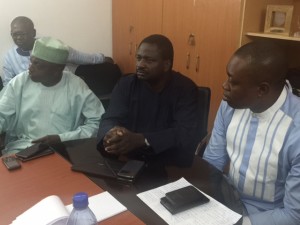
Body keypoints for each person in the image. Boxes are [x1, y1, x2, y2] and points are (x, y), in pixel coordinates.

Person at [203, 41, 300, 225]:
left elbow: (294, 215)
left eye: (233, 81)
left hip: (268, 217)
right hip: (225, 202)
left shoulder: (296, 131)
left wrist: (238, 223)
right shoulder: (230, 105)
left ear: (262, 90)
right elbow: (212, 163)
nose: (224, 85)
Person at [97, 34, 201, 167]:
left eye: (149, 60)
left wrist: (142, 139)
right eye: (139, 58)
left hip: (170, 164)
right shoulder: (126, 84)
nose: (140, 65)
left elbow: (185, 133)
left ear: (166, 64)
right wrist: (110, 134)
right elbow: (109, 118)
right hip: (129, 159)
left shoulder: (186, 89)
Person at [0, 37, 104, 155]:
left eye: (37, 64)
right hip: (24, 147)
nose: (30, 68)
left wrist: (62, 138)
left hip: (66, 148)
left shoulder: (76, 85)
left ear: (58, 69)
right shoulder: (20, 82)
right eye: (31, 61)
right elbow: (1, 114)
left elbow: (97, 121)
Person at [2, 16, 113, 86]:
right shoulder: (9, 57)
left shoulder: (51, 46)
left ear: (33, 32)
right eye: (15, 34)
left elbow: (79, 56)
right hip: (31, 99)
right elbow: (8, 83)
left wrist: (101, 58)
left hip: (63, 88)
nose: (18, 38)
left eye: (22, 34)